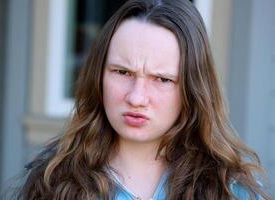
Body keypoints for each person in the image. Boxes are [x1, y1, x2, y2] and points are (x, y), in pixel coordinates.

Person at [18, 0, 270, 199]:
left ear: (193, 89)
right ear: (98, 76)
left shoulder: (230, 189)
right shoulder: (54, 182)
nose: (136, 97)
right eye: (122, 72)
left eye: (162, 79)